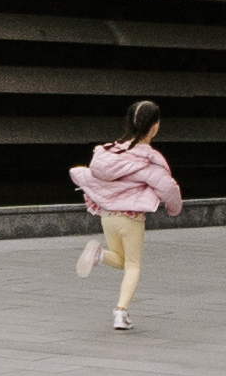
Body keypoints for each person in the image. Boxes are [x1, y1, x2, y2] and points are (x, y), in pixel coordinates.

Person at [68, 99, 183, 329]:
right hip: (131, 218)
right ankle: (120, 312)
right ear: (154, 127)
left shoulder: (106, 153)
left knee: (120, 260)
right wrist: (174, 208)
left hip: (107, 215)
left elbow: (93, 176)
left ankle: (99, 255)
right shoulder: (147, 159)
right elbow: (168, 188)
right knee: (133, 265)